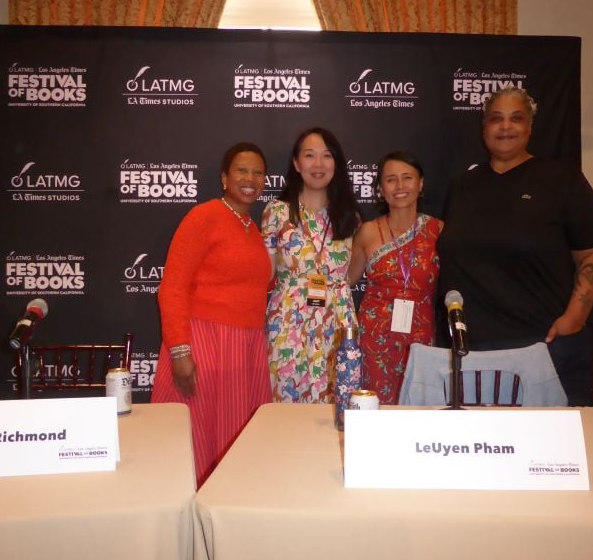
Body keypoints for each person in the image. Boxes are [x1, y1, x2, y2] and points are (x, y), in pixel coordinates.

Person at [437, 87, 593, 406]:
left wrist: (575, 316)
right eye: (496, 119)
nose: (505, 127)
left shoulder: (561, 180)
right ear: (484, 129)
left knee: (553, 452)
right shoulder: (463, 186)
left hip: (545, 347)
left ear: (530, 128)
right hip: (475, 351)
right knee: (482, 449)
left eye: (516, 119)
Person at [150, 142, 271, 486]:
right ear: (224, 178)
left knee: (236, 452)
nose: (250, 178)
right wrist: (180, 351)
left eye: (258, 172)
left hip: (244, 349)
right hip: (206, 345)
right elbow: (172, 287)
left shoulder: (252, 227)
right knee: (198, 451)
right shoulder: (203, 217)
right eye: (242, 171)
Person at [262, 127, 360, 403]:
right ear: (296, 163)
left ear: (336, 164)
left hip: (337, 320)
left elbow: (352, 274)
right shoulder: (276, 212)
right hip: (288, 321)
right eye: (309, 155)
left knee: (336, 400)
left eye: (327, 156)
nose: (318, 164)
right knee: (285, 404)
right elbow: (266, 272)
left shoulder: (350, 217)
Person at [348, 150, 443, 405]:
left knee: (419, 408)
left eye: (407, 178)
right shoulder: (367, 232)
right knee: (376, 407)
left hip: (421, 336)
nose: (400, 186)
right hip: (375, 337)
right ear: (380, 188)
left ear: (420, 183)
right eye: (391, 179)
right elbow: (347, 281)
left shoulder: (438, 231)